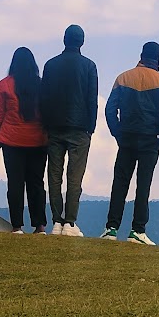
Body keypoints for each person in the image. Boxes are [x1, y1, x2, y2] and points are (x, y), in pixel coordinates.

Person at [101, 41, 159, 245]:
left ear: (141, 55)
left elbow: (110, 110)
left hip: (126, 137)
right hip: (150, 140)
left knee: (120, 182)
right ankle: (138, 231)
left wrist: (117, 133)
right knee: (143, 185)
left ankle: (111, 228)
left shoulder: (123, 78)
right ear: (158, 58)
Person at [40, 24, 99, 236]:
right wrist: (90, 127)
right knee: (75, 177)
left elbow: (43, 98)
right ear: (82, 42)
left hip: (54, 127)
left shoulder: (51, 65)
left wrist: (46, 124)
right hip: (80, 128)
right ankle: (70, 222)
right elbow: (92, 99)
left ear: (64, 39)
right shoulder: (89, 66)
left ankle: (56, 221)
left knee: (54, 176)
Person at [0, 48, 49, 234]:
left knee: (15, 184)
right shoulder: (41, 85)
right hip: (38, 141)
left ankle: (17, 226)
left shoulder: (4, 86)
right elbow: (48, 113)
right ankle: (40, 225)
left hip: (12, 143)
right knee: (36, 184)